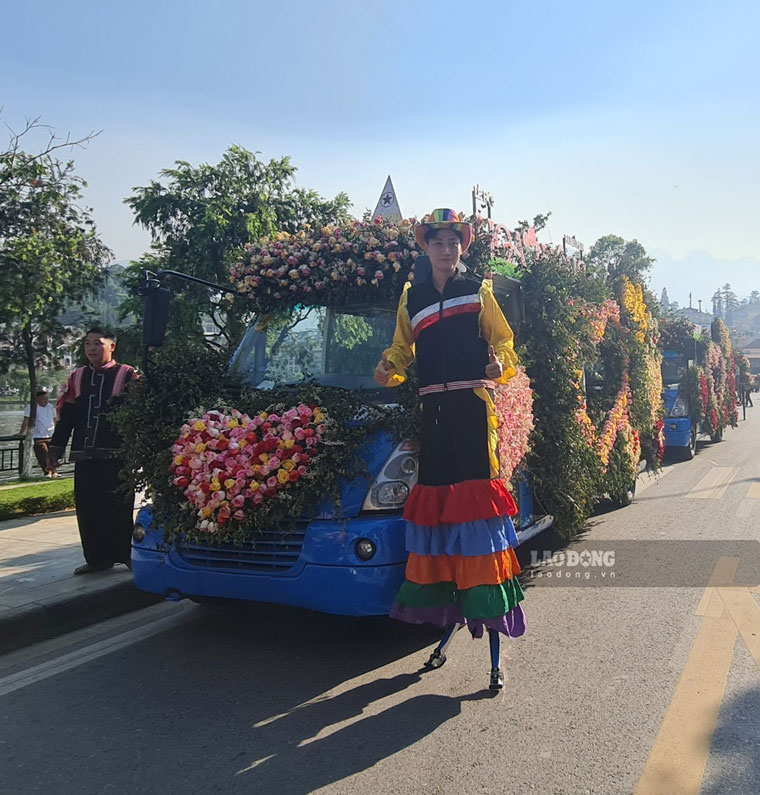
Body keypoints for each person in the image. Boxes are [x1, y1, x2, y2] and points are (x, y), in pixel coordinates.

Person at [374, 208, 525, 691]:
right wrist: (387, 370)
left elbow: (504, 346)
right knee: (440, 519)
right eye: (437, 242)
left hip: (472, 411)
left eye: (453, 242)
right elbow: (401, 352)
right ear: (425, 247)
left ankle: (495, 643)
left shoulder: (477, 291)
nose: (446, 249)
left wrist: (499, 360)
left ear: (462, 247)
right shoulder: (411, 298)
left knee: (478, 520)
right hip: (432, 418)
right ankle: (448, 620)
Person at [48, 327, 138, 575]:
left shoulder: (127, 374)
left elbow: (138, 416)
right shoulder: (77, 377)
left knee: (119, 506)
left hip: (117, 455)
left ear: (112, 347)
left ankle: (126, 554)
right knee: (88, 508)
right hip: (85, 455)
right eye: (87, 343)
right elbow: (67, 417)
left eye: (97, 343)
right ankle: (97, 559)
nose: (91, 348)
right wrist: (55, 449)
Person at [19, 388, 58, 477]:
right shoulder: (32, 407)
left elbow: (55, 419)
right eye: (43, 398)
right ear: (37, 399)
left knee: (52, 455)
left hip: (50, 434)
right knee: (43, 454)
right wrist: (22, 432)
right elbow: (26, 420)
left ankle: (54, 472)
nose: (45, 400)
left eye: (46, 398)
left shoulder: (50, 407)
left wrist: (57, 430)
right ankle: (48, 472)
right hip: (38, 435)